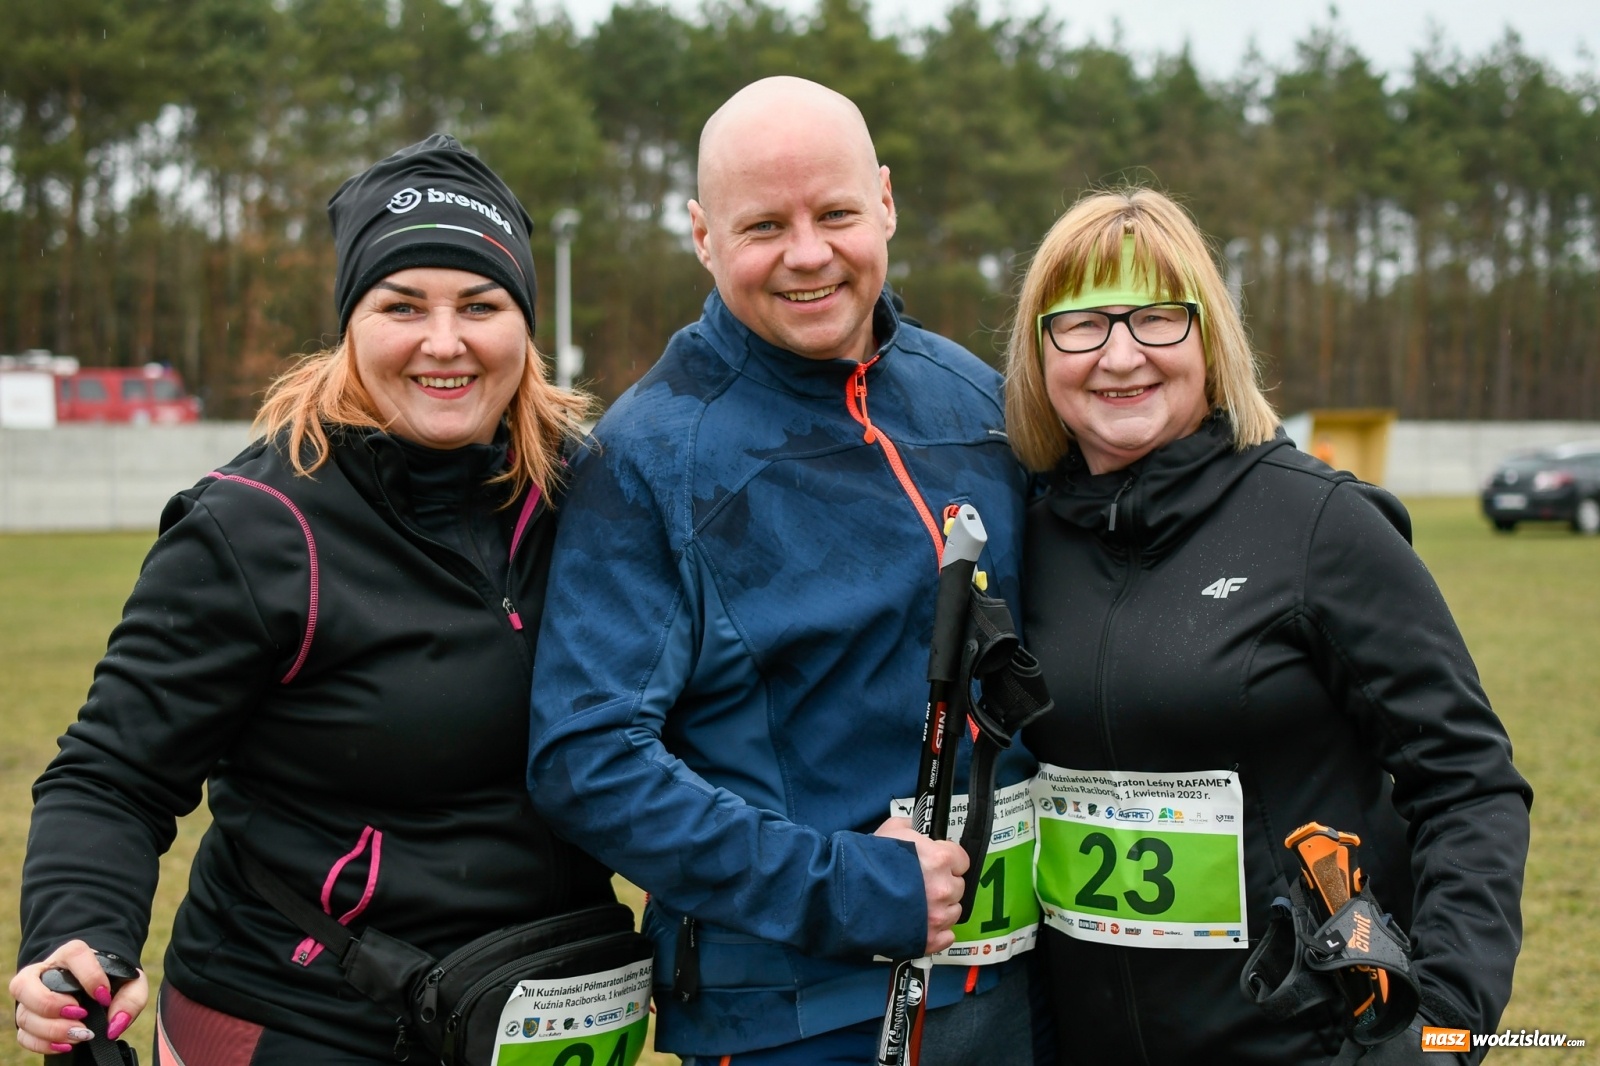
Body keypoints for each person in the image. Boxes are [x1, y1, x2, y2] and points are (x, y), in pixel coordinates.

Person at [10, 134, 613, 1064]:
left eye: (481, 305)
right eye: (402, 305)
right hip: (303, 1019)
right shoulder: (252, 527)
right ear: (351, 325)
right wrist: (80, 931)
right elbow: (112, 776)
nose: (443, 341)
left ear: (523, 326)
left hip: (539, 1010)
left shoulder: (592, 497)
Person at [526, 77, 1048, 1065]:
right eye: (763, 224)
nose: (808, 254)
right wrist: (847, 886)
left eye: (837, 213)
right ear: (701, 236)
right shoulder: (648, 456)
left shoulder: (979, 398)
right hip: (796, 1018)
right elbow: (586, 763)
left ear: (886, 202)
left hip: (1016, 986)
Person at [1004, 186, 1532, 1065]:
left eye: (1157, 319)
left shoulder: (1323, 526)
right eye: (1082, 324)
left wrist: (1441, 1031)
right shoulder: (1029, 539)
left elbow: (1470, 787)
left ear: (1210, 338)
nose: (1120, 354)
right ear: (1040, 352)